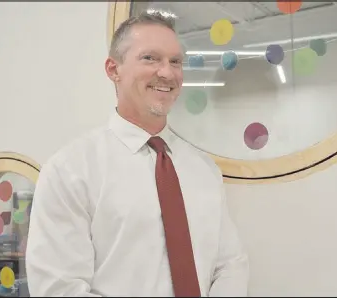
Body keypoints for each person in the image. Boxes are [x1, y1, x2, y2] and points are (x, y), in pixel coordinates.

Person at [25, 9, 249, 297]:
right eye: (150, 58)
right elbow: (60, 289)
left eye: (175, 61)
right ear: (113, 69)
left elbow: (230, 264)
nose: (167, 72)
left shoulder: (203, 169)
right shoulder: (70, 171)